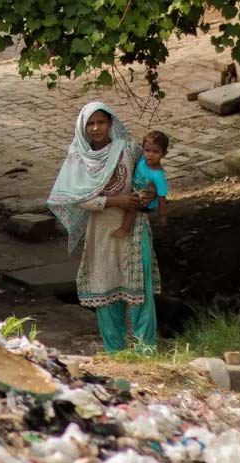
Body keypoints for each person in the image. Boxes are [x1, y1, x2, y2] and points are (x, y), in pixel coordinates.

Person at [47, 102, 161, 354]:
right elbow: (71, 198)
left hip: (134, 229)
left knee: (140, 290)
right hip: (101, 231)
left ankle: (147, 352)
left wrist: (150, 192)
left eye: (101, 122)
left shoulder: (129, 150)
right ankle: (116, 353)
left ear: (111, 124)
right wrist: (113, 201)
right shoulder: (77, 158)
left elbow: (151, 175)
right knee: (105, 289)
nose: (96, 128)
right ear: (83, 128)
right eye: (91, 123)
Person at [112, 130, 170, 238]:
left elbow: (162, 199)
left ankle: (124, 229)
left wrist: (162, 216)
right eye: (147, 150)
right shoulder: (143, 159)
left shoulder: (158, 176)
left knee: (131, 206)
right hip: (136, 190)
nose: (150, 155)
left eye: (155, 152)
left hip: (147, 203)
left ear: (164, 154)